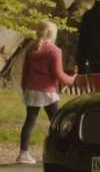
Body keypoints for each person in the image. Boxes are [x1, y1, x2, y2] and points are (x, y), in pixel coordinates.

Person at [19, 21, 76, 164]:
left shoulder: (31, 49)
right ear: (53, 34)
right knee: (58, 121)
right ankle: (64, 152)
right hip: (47, 92)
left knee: (29, 121)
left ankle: (23, 153)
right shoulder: (54, 50)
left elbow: (25, 72)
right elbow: (58, 74)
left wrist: (25, 88)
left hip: (31, 90)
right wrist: (71, 80)